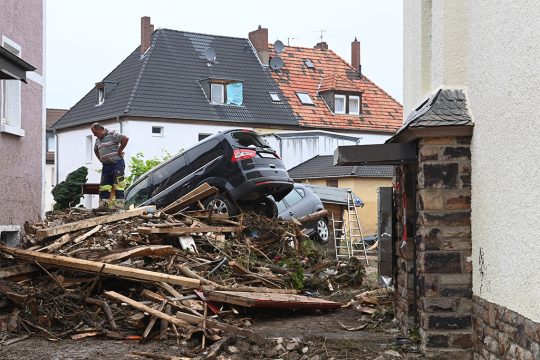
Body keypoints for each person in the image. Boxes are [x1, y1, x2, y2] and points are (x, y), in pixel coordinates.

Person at [91, 123, 129, 209]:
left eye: (95, 132)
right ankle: (104, 205)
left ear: (100, 129)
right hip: (106, 165)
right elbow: (95, 150)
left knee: (118, 184)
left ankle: (119, 206)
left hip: (117, 163)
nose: (94, 135)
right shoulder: (98, 140)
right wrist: (101, 159)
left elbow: (125, 139)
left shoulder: (113, 133)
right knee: (104, 185)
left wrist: (120, 150)